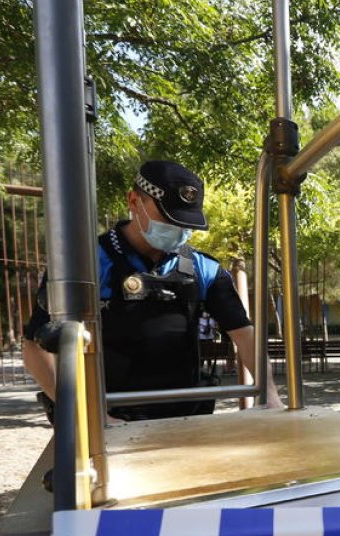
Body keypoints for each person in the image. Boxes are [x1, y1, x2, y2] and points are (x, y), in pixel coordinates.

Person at [23, 160, 283, 420]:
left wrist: (271, 398)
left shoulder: (203, 269)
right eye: (168, 220)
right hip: (108, 418)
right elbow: (35, 349)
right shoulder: (84, 264)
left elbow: (245, 337)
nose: (178, 231)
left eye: (185, 223)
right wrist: (89, 416)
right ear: (134, 202)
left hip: (186, 418)